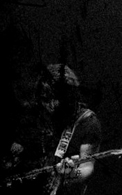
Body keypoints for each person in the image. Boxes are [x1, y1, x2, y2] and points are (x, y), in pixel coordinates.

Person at [3, 64, 101, 195]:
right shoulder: (35, 116)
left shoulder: (87, 122)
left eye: (56, 98)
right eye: (46, 99)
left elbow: (86, 167)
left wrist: (71, 173)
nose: (52, 105)